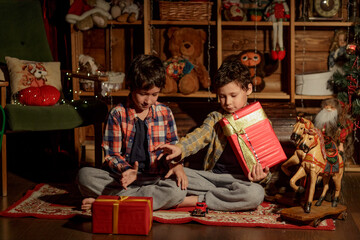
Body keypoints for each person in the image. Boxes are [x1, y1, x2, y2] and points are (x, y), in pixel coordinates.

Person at [156, 54, 272, 211]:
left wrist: (263, 176)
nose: (228, 102)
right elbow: (199, 136)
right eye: (222, 97)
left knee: (255, 194)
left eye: (233, 95)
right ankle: (219, 198)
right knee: (171, 174)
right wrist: (180, 148)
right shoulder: (216, 118)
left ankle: (197, 200)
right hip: (210, 178)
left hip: (242, 182)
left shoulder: (260, 121)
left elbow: (267, 164)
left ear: (248, 89)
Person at [77, 54, 189, 211]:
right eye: (143, 93)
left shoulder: (165, 113)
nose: (148, 101)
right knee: (84, 176)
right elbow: (111, 155)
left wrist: (176, 164)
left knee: (177, 190)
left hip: (154, 179)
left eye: (154, 94)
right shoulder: (117, 114)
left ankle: (112, 202)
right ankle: (138, 201)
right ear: (131, 86)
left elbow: (172, 149)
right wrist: (127, 170)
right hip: (122, 179)